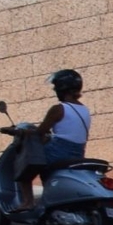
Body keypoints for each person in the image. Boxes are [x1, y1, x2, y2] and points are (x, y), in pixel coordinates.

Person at [19, 68, 90, 205]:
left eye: (56, 86)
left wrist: (21, 132)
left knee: (25, 169)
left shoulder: (59, 108)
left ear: (62, 88)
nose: (54, 90)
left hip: (58, 152)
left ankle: (27, 202)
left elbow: (40, 131)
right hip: (78, 152)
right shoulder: (85, 109)